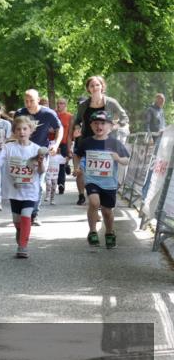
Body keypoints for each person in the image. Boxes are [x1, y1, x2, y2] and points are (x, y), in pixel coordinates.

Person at [74, 111, 130, 249]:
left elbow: (126, 160)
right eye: (96, 123)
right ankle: (92, 231)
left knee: (107, 211)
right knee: (94, 202)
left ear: (110, 127)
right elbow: (77, 155)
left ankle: (109, 233)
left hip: (109, 183)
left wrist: (117, 158)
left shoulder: (115, 143)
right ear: (91, 126)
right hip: (92, 180)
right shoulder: (86, 142)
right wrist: (77, 167)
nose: (99, 126)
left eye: (103, 123)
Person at [70, 76, 129, 206]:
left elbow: (124, 117)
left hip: (105, 141)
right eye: (92, 86)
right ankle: (81, 195)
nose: (95, 88)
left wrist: (115, 126)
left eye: (97, 85)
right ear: (88, 89)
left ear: (102, 86)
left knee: (101, 170)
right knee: (81, 167)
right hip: (86, 139)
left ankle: (100, 197)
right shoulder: (83, 105)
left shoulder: (111, 102)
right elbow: (77, 121)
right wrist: (77, 128)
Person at [0, 115, 45, 259]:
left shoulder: (37, 149)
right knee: (17, 220)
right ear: (14, 131)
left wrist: (41, 161)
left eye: (25, 129)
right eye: (18, 129)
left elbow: (41, 171)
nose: (22, 132)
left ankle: (23, 246)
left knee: (26, 215)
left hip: (30, 190)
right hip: (15, 190)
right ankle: (21, 234)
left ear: (31, 130)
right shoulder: (8, 148)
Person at [18, 89, 62, 226]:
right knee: (23, 182)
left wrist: (56, 144)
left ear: (38, 100)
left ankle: (34, 214)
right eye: (26, 101)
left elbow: (59, 128)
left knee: (38, 183)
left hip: (41, 153)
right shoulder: (20, 113)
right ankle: (23, 211)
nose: (29, 103)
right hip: (23, 152)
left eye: (31, 101)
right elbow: (15, 132)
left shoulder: (48, 113)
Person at [54, 98, 73, 194]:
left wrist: (69, 149)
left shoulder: (70, 116)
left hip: (64, 143)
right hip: (53, 143)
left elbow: (70, 134)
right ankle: (54, 182)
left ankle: (61, 184)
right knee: (54, 163)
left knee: (61, 164)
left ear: (66, 105)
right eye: (58, 103)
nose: (59, 105)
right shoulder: (53, 114)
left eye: (61, 103)